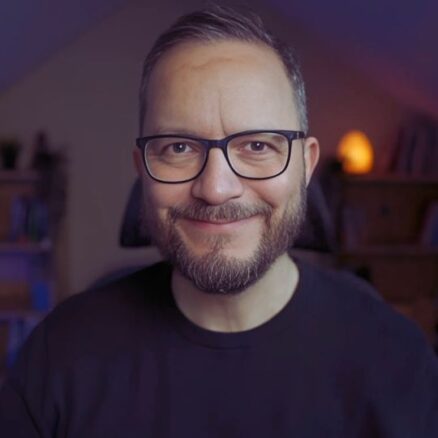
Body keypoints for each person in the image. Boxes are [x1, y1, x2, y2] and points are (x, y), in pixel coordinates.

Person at [1, 5, 438, 437]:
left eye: (258, 146)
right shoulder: (59, 356)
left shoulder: (398, 358)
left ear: (306, 166)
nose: (215, 188)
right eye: (178, 148)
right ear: (142, 168)